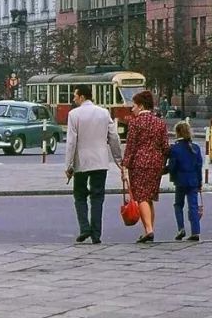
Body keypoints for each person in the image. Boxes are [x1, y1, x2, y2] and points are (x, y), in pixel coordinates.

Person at [64, 84, 123, 245]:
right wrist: (118, 159)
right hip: (100, 160)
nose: (73, 99)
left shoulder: (74, 114)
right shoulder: (104, 113)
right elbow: (114, 137)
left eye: (75, 96)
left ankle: (84, 227)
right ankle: (96, 234)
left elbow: (71, 142)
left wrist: (68, 165)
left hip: (81, 161)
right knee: (98, 198)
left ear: (82, 97)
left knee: (80, 196)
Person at [121, 89, 169, 243]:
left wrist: (125, 166)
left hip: (139, 164)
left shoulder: (135, 123)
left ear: (141, 106)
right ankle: (149, 229)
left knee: (141, 196)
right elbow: (165, 147)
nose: (132, 109)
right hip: (156, 164)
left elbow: (131, 146)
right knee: (148, 198)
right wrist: (162, 162)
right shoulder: (160, 123)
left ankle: (149, 230)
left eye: (134, 106)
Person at [167, 120, 202, 242]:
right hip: (193, 180)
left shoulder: (175, 148)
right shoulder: (196, 148)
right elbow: (199, 167)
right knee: (193, 206)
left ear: (177, 133)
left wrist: (164, 171)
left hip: (180, 180)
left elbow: (172, 166)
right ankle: (196, 231)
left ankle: (181, 228)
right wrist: (200, 182)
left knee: (178, 205)